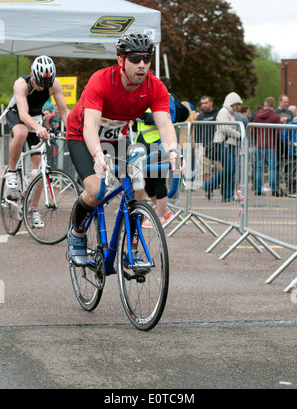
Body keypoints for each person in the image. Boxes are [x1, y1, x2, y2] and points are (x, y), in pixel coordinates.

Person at [66, 32, 181, 267]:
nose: (142, 64)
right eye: (135, 58)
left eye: (147, 59)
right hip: (82, 135)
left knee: (138, 188)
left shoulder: (154, 87)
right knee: (97, 190)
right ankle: (76, 234)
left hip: (117, 137)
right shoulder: (101, 80)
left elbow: (165, 125)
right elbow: (90, 126)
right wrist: (97, 155)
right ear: (121, 60)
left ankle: (132, 250)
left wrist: (173, 152)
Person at [5, 56, 69, 225]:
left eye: (46, 84)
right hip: (17, 114)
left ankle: (33, 211)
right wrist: (38, 127)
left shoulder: (54, 84)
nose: (42, 87)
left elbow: (63, 111)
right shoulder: (21, 84)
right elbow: (23, 114)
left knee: (41, 170)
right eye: (39, 82)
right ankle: (11, 171)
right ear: (32, 75)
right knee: (20, 134)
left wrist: (71, 132)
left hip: (36, 118)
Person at [134, 93, 176, 227]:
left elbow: (171, 119)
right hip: (144, 144)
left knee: (158, 180)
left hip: (159, 143)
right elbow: (140, 126)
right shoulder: (140, 96)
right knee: (148, 183)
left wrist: (147, 117)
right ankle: (164, 212)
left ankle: (159, 217)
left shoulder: (165, 96)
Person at [202, 92, 242, 202]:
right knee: (230, 170)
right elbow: (224, 128)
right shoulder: (224, 112)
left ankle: (227, 196)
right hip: (224, 144)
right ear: (231, 103)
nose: (238, 107)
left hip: (229, 144)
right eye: (236, 104)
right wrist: (239, 134)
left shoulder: (230, 113)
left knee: (230, 171)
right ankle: (208, 185)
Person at [253, 97, 282, 196]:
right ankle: (273, 189)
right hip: (271, 144)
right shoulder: (276, 117)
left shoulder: (258, 116)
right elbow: (278, 132)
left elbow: (253, 130)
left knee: (259, 167)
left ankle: (257, 189)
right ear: (273, 105)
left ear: (265, 104)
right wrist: (276, 143)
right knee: (272, 167)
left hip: (259, 144)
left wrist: (257, 140)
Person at [195, 95, 220, 182]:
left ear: (211, 103)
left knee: (220, 168)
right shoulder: (200, 116)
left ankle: (222, 191)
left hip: (217, 146)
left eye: (206, 103)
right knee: (206, 170)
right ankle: (209, 190)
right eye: (202, 103)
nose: (204, 105)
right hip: (204, 147)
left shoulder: (218, 114)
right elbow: (197, 132)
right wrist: (197, 147)